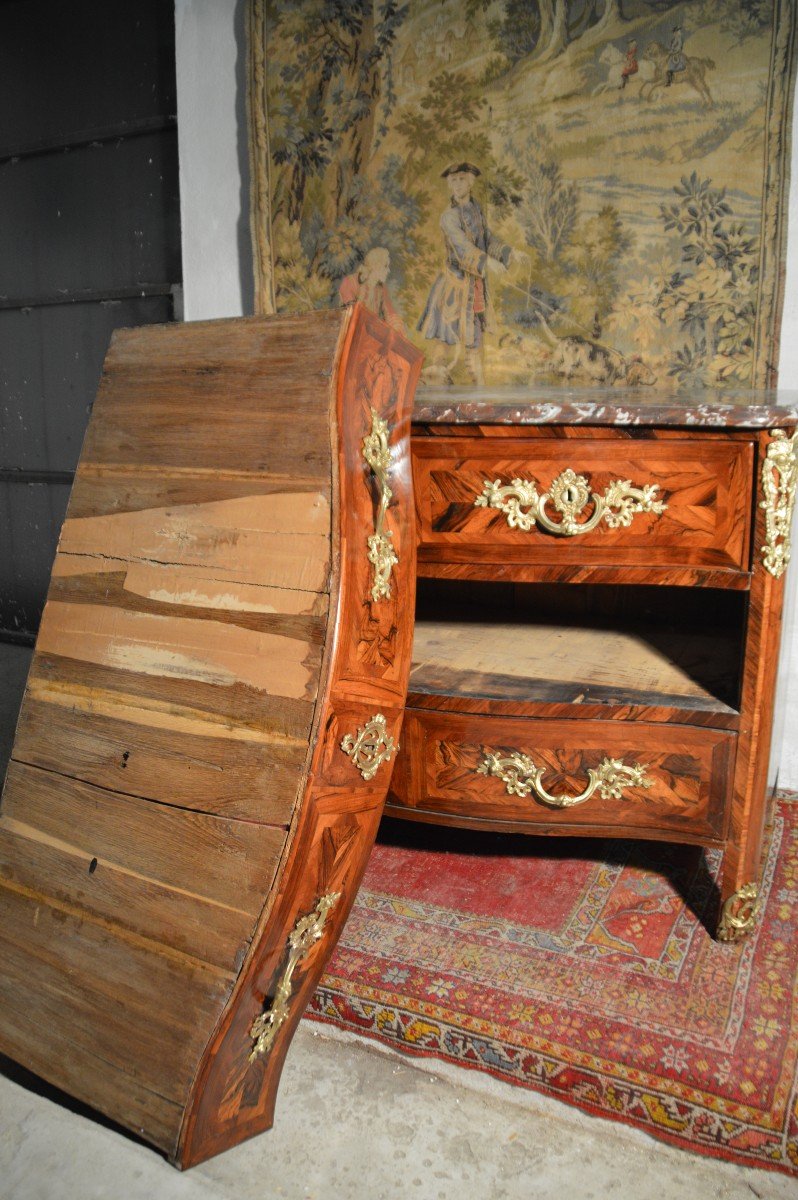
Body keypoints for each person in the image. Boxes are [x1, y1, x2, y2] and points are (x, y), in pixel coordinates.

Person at [417, 161, 529, 384]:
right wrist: (486, 262)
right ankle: (430, 386)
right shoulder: (448, 217)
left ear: (470, 182)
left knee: (474, 341)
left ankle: (479, 389)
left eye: (462, 180)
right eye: (454, 180)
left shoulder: (476, 210)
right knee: (443, 341)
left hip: (473, 286)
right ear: (449, 184)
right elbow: (462, 247)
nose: (457, 185)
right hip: (453, 286)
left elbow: (487, 239)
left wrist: (510, 252)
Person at [339, 246, 406, 334]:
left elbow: (390, 313)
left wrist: (397, 327)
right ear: (375, 266)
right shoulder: (350, 282)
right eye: (385, 266)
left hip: (369, 333)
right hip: (348, 332)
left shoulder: (381, 288)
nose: (388, 270)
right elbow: (353, 314)